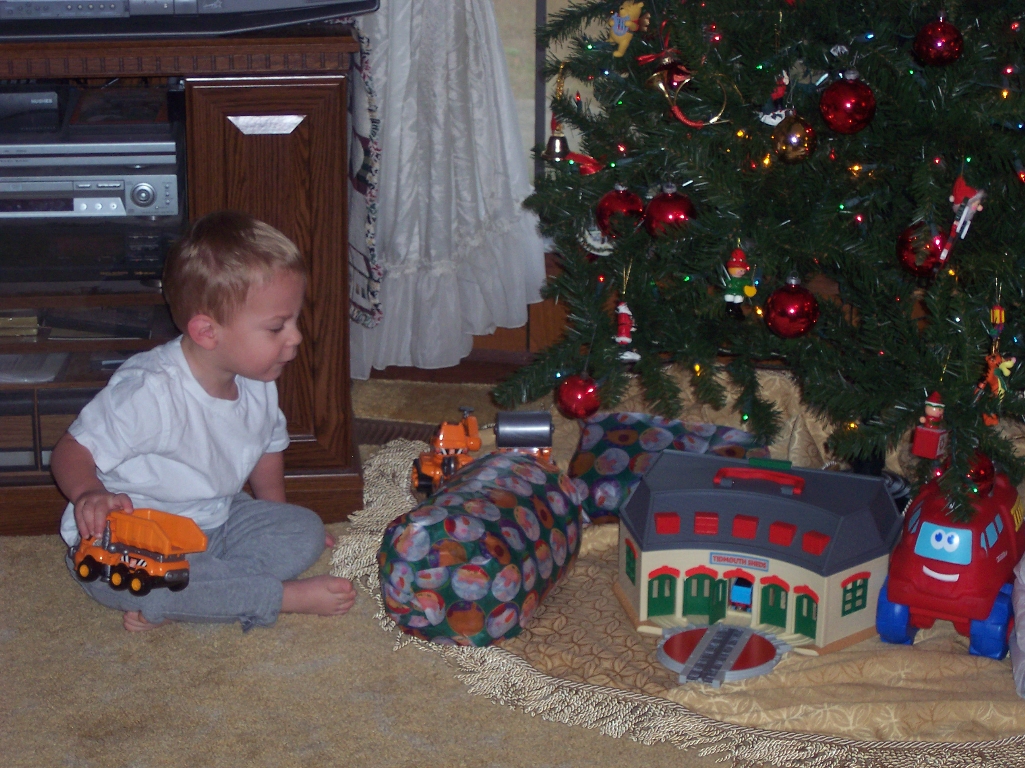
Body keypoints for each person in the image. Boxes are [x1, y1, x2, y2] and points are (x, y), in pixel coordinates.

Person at [51, 210, 356, 632]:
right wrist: (89, 493)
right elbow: (71, 449)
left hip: (215, 519)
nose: (296, 337)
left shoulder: (258, 381)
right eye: (277, 327)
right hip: (130, 537)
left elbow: (267, 449)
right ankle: (278, 597)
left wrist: (276, 516)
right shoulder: (150, 392)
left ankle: (198, 598)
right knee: (134, 581)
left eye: (294, 320)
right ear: (208, 332)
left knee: (304, 529)